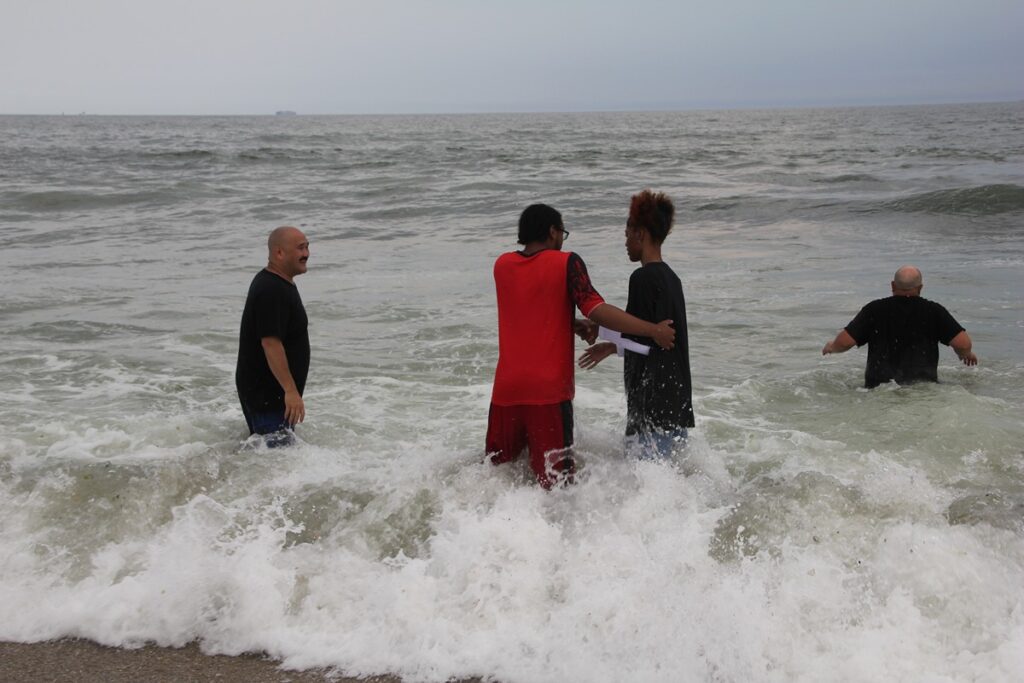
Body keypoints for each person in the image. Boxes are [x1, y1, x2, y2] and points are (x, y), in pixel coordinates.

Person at [487, 203, 676, 489]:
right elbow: (596, 308)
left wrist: (565, 321)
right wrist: (653, 330)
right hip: (548, 394)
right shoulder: (566, 263)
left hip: (505, 392)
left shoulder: (501, 265)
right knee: (557, 487)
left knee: (498, 478)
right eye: (562, 232)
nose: (563, 240)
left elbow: (530, 309)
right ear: (552, 232)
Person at [578, 190, 695, 459]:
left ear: (640, 233)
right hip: (675, 406)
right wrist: (610, 346)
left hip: (651, 407)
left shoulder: (642, 278)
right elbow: (656, 343)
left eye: (627, 233)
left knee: (645, 483)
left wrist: (606, 334)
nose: (625, 241)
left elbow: (648, 342)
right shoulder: (671, 279)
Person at [822, 265, 978, 387]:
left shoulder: (874, 310)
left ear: (892, 285)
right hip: (923, 390)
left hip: (879, 389)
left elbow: (845, 342)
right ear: (920, 287)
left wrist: (832, 347)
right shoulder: (934, 311)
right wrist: (965, 354)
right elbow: (963, 343)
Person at [235, 226, 311, 444]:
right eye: (300, 248)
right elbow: (270, 343)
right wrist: (290, 391)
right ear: (279, 253)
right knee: (276, 458)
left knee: (264, 456)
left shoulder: (277, 283)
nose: (306, 254)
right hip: (269, 395)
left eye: (307, 247)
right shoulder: (271, 290)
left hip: (265, 392)